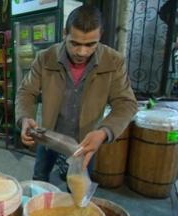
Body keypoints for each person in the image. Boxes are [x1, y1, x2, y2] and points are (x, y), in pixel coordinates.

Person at [15, 5, 138, 182]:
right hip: (48, 134)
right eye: (75, 43)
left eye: (90, 44)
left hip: (86, 140)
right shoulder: (45, 58)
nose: (82, 52)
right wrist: (25, 117)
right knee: (40, 177)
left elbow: (126, 103)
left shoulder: (113, 61)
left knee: (77, 186)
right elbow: (26, 91)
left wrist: (104, 132)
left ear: (100, 35)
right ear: (65, 33)